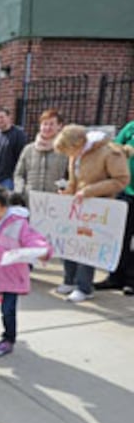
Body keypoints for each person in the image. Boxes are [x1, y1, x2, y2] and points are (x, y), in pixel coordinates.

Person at [0, 185, 53, 356]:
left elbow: (33, 239)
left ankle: (8, 339)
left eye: (1, 210)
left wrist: (43, 250)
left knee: (9, 310)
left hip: (12, 276)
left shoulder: (18, 223)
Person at [53, 124, 130, 302]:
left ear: (79, 143)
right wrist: (67, 191)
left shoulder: (109, 152)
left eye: (69, 151)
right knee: (69, 242)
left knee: (87, 248)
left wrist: (89, 191)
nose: (69, 156)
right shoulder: (76, 154)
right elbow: (75, 180)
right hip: (78, 206)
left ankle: (84, 287)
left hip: (98, 207)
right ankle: (70, 280)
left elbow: (121, 180)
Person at [95, 120, 134, 295]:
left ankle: (131, 280)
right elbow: (115, 147)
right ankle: (115, 276)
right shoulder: (131, 127)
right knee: (120, 237)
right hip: (125, 191)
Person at [13, 108, 67, 204]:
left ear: (59, 126)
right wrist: (20, 190)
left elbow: (71, 177)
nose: (47, 127)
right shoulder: (28, 149)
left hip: (55, 202)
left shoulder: (65, 150)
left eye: (51, 124)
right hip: (29, 200)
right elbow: (18, 174)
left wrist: (66, 189)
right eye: (45, 124)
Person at [0, 107, 27, 190]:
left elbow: (21, 157)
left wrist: (15, 177)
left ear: (9, 117)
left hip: (7, 179)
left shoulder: (18, 134)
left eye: (1, 117)